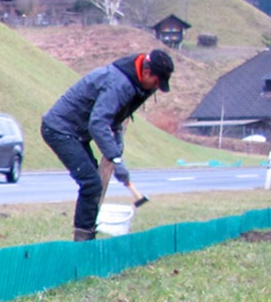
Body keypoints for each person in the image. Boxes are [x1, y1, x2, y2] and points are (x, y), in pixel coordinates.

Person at [39, 48, 174, 240]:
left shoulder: (138, 84)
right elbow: (98, 123)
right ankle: (83, 241)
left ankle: (87, 232)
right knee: (92, 183)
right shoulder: (119, 84)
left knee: (93, 181)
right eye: (156, 82)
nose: (156, 87)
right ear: (146, 72)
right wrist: (116, 159)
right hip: (60, 129)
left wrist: (117, 144)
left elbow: (116, 118)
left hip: (77, 131)